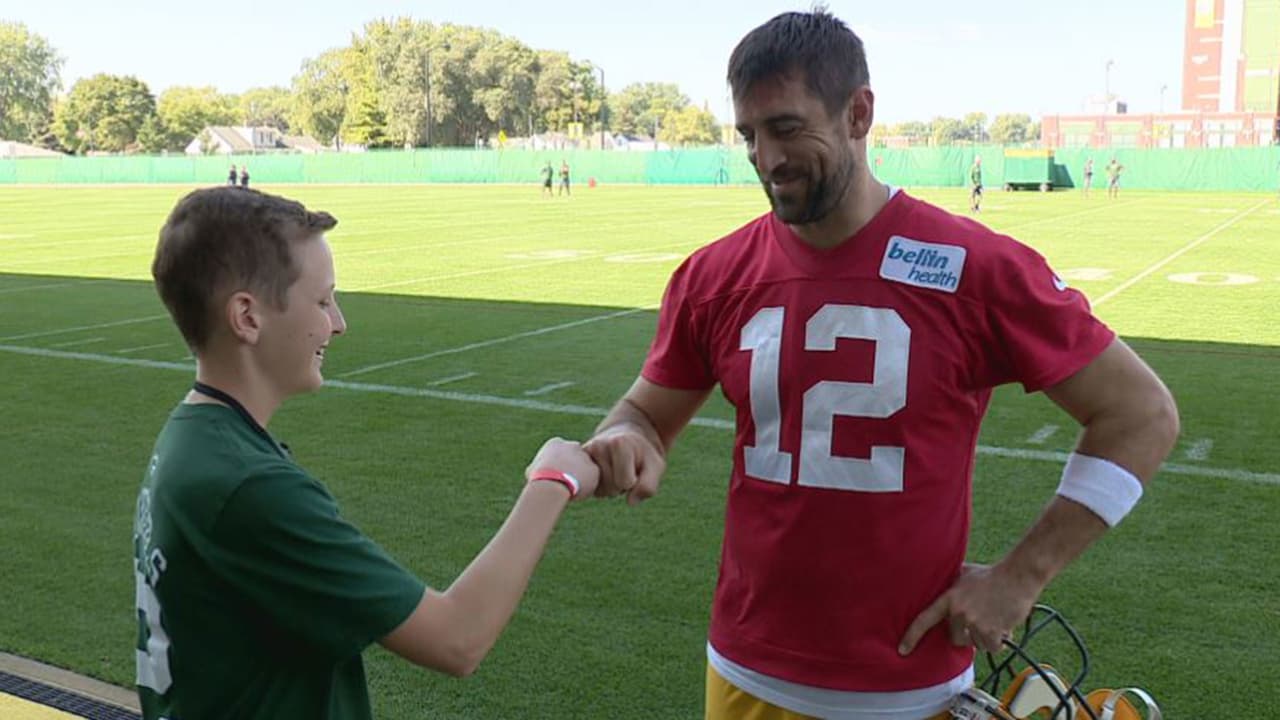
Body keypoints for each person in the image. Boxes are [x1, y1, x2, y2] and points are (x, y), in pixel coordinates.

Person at [583, 10, 1179, 720]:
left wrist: (1021, 578)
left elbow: (1142, 415)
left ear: (858, 113)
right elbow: (647, 414)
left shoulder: (976, 268)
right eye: (749, 134)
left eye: (786, 127)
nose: (766, 157)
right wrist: (626, 437)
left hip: (906, 688)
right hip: (744, 670)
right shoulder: (715, 276)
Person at [134, 187, 601, 720]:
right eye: (322, 300)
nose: (338, 322)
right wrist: (552, 479)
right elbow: (457, 639)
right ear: (247, 317)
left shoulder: (192, 439)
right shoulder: (247, 486)